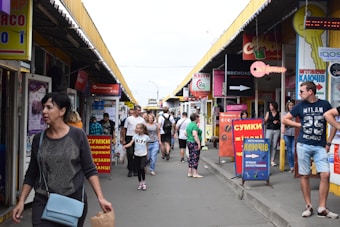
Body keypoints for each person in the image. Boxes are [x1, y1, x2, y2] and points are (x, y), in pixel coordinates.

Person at [12, 92, 112, 226]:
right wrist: (21, 201)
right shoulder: (39, 139)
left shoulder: (78, 135)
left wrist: (101, 198)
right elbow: (32, 172)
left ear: (62, 111)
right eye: (43, 107)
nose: (44, 111)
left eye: (49, 107)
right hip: (43, 201)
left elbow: (89, 169)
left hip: (72, 202)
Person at [282, 81, 338, 219]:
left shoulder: (325, 105)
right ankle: (308, 206)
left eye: (302, 91)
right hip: (303, 145)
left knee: (325, 174)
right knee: (304, 175)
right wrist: (299, 125)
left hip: (320, 146)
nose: (300, 94)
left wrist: (329, 142)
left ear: (310, 92)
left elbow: (333, 124)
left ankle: (322, 207)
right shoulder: (300, 106)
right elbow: (285, 119)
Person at [124, 123, 150, 190]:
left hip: (143, 154)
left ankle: (144, 182)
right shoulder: (135, 136)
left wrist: (147, 154)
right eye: (136, 128)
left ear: (142, 129)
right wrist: (125, 146)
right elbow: (130, 143)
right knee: (138, 169)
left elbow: (147, 145)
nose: (137, 129)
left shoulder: (146, 137)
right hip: (136, 154)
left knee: (142, 168)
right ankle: (140, 183)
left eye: (138, 128)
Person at [121, 105, 145, 177]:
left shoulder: (141, 120)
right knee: (130, 153)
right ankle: (130, 169)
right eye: (138, 110)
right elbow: (124, 129)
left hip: (138, 137)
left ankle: (135, 169)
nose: (139, 112)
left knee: (137, 154)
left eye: (140, 110)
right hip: (130, 137)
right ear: (134, 111)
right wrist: (123, 138)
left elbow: (144, 129)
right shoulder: (129, 119)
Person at [186, 113, 203, 178]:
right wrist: (198, 143)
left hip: (189, 142)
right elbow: (195, 134)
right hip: (194, 143)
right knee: (195, 157)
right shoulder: (194, 125)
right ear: (196, 118)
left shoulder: (189, 125)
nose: (199, 119)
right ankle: (195, 173)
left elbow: (186, 133)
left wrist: (189, 137)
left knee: (191, 157)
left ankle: (189, 172)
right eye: (198, 117)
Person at [264, 101, 280, 167]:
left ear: (274, 106)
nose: (270, 107)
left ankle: (272, 160)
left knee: (274, 145)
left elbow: (281, 121)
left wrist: (278, 121)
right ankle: (266, 158)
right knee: (268, 144)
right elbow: (265, 121)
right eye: (269, 106)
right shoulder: (268, 113)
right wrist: (264, 121)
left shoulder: (279, 113)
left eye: (271, 106)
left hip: (277, 130)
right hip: (269, 129)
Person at [281, 101, 296, 173]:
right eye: (290, 105)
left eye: (292, 105)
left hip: (294, 133)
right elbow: (284, 122)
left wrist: (289, 123)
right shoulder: (285, 113)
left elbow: (295, 123)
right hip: (287, 134)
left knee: (293, 150)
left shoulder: (296, 113)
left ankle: (295, 165)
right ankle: (291, 166)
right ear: (287, 106)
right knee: (289, 150)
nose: (291, 106)